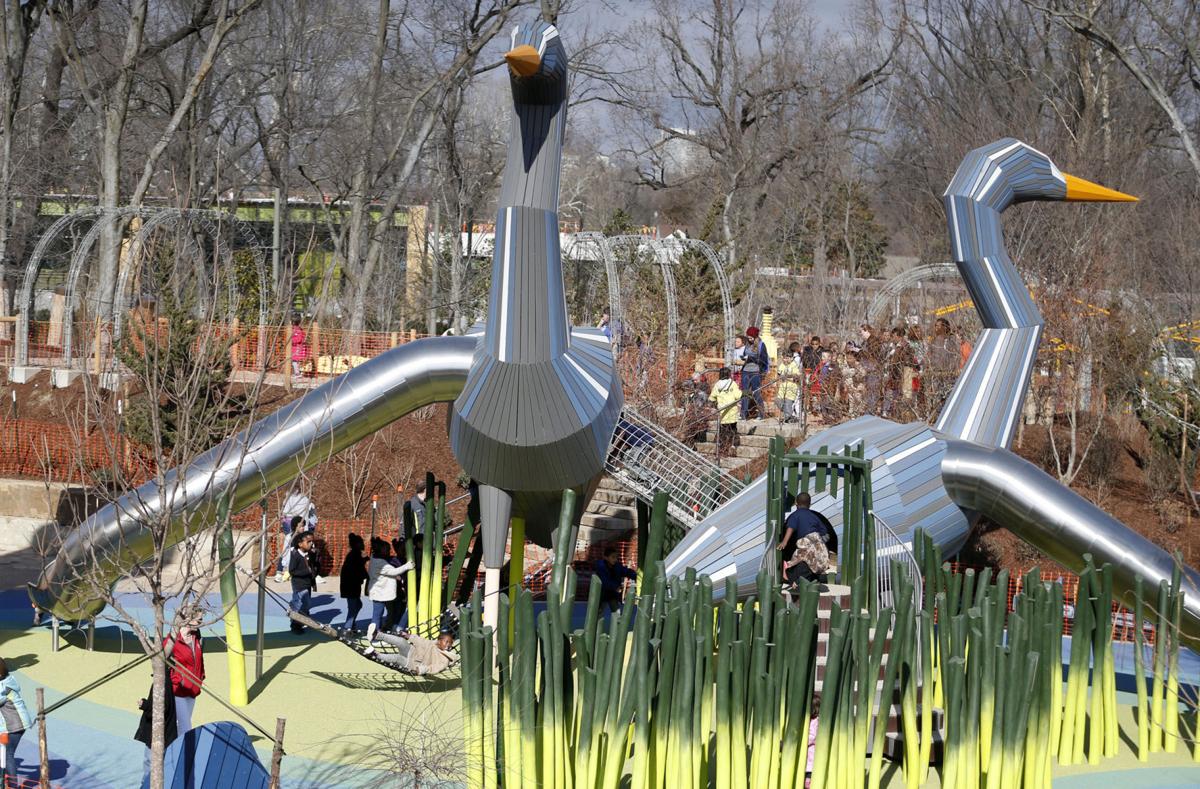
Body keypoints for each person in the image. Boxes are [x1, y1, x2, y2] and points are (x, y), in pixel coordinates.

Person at [164, 611, 204, 736]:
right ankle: (185, 746)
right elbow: (161, 661)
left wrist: (201, 677)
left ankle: (175, 744)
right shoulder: (172, 639)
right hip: (178, 688)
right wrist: (177, 679)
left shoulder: (197, 637)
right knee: (185, 724)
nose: (201, 623)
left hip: (194, 688)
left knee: (183, 722)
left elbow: (199, 660)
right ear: (187, 619)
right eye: (198, 620)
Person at [367, 539, 413, 642]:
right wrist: (407, 566)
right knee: (377, 616)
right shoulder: (380, 563)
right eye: (387, 549)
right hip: (380, 593)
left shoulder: (374, 558)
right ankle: (374, 636)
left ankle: (381, 631)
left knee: (381, 614)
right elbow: (393, 571)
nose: (389, 551)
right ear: (381, 550)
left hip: (381, 593)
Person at [363, 626, 458, 675]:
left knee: (397, 658)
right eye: (446, 642)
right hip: (411, 652)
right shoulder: (433, 644)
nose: (448, 645)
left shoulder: (445, 659)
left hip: (413, 665)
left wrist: (421, 669)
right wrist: (408, 636)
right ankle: (377, 635)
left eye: (450, 643)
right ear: (439, 641)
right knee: (401, 641)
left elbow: (434, 668)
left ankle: (375, 655)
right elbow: (421, 641)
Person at [0, 657, 32, 787]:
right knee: (4, 752)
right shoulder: (7, 680)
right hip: (13, 724)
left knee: (8, 754)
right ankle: (5, 779)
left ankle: (12, 785)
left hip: (16, 725)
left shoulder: (3, 687)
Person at [339, 533, 369, 633]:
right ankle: (347, 628)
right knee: (353, 607)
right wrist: (366, 575)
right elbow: (356, 569)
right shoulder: (354, 555)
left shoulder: (355, 554)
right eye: (361, 543)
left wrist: (364, 560)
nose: (363, 544)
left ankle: (351, 624)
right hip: (350, 585)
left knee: (358, 605)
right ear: (356, 544)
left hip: (352, 585)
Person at [288, 531, 318, 634]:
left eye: (312, 541)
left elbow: (314, 566)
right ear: (300, 544)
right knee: (299, 604)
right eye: (308, 542)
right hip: (299, 584)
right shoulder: (296, 555)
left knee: (306, 603)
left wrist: (316, 556)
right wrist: (307, 571)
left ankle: (304, 618)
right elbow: (292, 571)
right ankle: (295, 625)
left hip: (307, 583)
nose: (311, 544)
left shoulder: (309, 554)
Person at [708, 367, 742, 452]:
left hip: (722, 411)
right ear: (728, 374)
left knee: (723, 430)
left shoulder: (717, 385)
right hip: (731, 410)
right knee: (733, 429)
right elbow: (738, 395)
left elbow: (712, 397)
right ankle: (732, 445)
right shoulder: (732, 383)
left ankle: (722, 447)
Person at [593, 548, 637, 613]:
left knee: (617, 612)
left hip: (613, 595)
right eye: (613, 557)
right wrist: (616, 587)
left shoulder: (617, 566)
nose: (615, 559)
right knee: (598, 613)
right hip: (601, 594)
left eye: (616, 557)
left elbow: (625, 571)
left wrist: (635, 575)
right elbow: (604, 581)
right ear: (606, 557)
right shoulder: (600, 567)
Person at [739, 326, 769, 419]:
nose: (749, 339)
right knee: (745, 393)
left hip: (756, 371)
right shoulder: (747, 344)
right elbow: (745, 355)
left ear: (755, 337)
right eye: (748, 337)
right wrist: (743, 358)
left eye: (751, 337)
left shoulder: (761, 345)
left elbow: (763, 360)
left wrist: (752, 358)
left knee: (756, 393)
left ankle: (761, 414)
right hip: (745, 371)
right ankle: (743, 414)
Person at [775, 343, 802, 423]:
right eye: (784, 358)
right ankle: (790, 415)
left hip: (791, 388)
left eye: (787, 358)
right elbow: (779, 375)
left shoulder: (794, 365)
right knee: (778, 401)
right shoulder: (782, 365)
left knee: (788, 403)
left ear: (791, 358)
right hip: (782, 387)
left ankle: (788, 418)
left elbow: (796, 376)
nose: (785, 360)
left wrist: (787, 376)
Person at [805, 695, 821, 788]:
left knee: (809, 782)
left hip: (811, 760)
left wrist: (800, 741)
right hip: (808, 760)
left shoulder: (815, 721)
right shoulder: (811, 720)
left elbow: (812, 736)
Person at [290, 313, 310, 378]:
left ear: (293, 322)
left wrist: (291, 340)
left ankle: (297, 374)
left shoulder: (297, 330)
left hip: (297, 348)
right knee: (295, 361)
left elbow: (299, 339)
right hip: (295, 348)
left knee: (294, 361)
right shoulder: (297, 329)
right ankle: (297, 372)